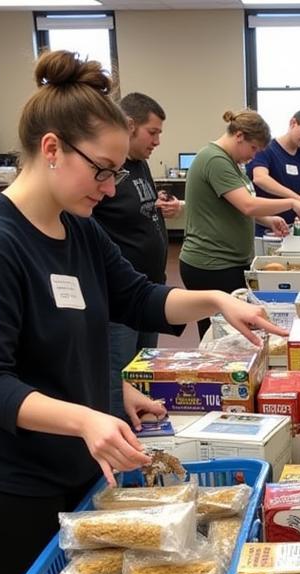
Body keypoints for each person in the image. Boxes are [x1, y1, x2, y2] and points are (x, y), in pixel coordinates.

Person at [0, 52, 283, 574]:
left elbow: (140, 299)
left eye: (117, 171)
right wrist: (88, 415)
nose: (112, 186)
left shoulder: (79, 230)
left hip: (72, 453)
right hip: (6, 475)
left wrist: (218, 301)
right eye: (102, 170)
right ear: (51, 149)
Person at [179, 109, 300, 336]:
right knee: (220, 334)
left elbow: (237, 205)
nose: (253, 157)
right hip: (211, 264)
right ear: (239, 136)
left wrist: (268, 219)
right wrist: (292, 202)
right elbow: (248, 205)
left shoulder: (230, 162)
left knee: (231, 330)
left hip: (227, 261)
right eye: (253, 149)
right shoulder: (215, 159)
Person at [92, 92, 182, 417]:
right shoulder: (106, 173)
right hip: (119, 300)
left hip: (149, 289)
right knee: (119, 382)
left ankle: (140, 440)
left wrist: (163, 208)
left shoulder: (140, 164)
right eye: (152, 132)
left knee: (143, 374)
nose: (157, 140)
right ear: (130, 126)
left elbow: (139, 207)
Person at [247, 109, 300, 236]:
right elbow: (260, 179)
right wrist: (295, 199)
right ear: (293, 123)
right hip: (264, 227)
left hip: (290, 229)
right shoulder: (267, 148)